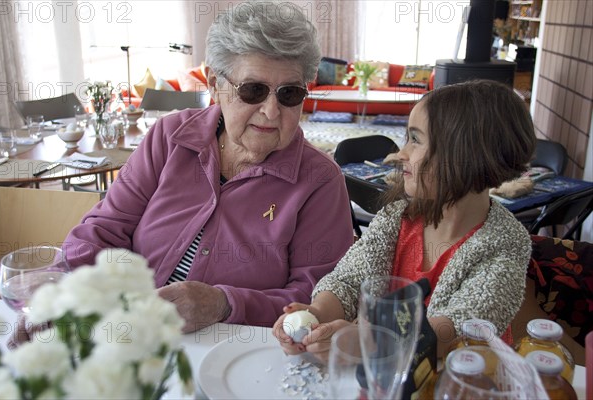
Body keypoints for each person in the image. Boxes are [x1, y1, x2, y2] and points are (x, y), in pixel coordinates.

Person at [60, 2, 354, 333]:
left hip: (239, 356)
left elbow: (318, 301)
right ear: (215, 85)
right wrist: (58, 285)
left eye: (289, 94)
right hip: (130, 332)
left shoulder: (320, 181)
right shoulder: (169, 137)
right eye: (253, 90)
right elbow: (104, 228)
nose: (271, 111)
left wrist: (225, 303)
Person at [273, 79, 537, 362]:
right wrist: (316, 315)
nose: (401, 153)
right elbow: (349, 281)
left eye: (416, 139)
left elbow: (456, 330)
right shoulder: (396, 219)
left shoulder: (505, 244)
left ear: (466, 156)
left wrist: (363, 342)